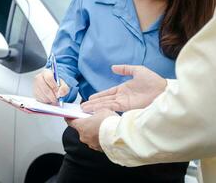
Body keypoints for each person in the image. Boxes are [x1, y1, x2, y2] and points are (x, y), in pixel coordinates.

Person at [33, 0, 215, 182]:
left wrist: (164, 90)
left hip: (161, 159)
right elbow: (64, 60)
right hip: (88, 150)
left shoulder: (207, 14)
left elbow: (203, 99)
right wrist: (55, 84)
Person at [68, 12, 216, 183]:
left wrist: (109, 132)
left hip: (159, 161)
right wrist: (165, 89)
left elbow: (203, 117)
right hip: (86, 151)